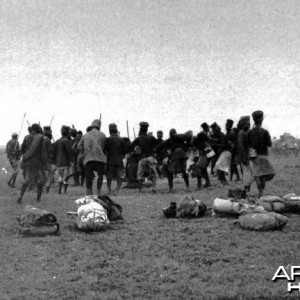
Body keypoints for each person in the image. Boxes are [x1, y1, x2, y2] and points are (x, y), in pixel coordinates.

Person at [248, 110, 275, 198]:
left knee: (258, 175)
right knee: (264, 175)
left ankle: (260, 192)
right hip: (263, 155)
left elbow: (247, 144)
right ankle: (261, 192)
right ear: (261, 119)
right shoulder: (265, 132)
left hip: (253, 156)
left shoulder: (250, 132)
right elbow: (270, 144)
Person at [17, 123, 47, 204]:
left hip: (28, 162)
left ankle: (20, 196)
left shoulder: (26, 137)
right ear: (37, 129)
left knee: (26, 180)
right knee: (40, 181)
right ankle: (38, 199)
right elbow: (43, 152)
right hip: (38, 163)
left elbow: (22, 150)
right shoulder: (41, 137)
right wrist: (45, 163)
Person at [78, 119, 107, 195]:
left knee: (88, 176)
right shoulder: (102, 135)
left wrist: (83, 152)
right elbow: (104, 146)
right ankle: (98, 191)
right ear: (99, 126)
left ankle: (88, 191)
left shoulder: (86, 135)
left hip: (88, 158)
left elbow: (79, 145)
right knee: (100, 175)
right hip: (100, 158)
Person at [104, 123, 127, 195]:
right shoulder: (121, 140)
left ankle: (109, 190)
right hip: (119, 160)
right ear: (116, 132)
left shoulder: (107, 140)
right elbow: (125, 151)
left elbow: (105, 150)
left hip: (110, 160)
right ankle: (117, 190)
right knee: (120, 176)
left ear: (110, 132)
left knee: (109, 176)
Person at [53, 125, 73, 194]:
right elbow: (70, 151)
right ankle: (64, 190)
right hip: (65, 162)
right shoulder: (66, 141)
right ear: (67, 133)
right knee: (65, 177)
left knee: (60, 177)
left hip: (58, 162)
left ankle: (59, 190)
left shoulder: (58, 141)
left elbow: (54, 151)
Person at [237, 116, 254, 193]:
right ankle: (246, 190)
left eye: (249, 124)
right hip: (245, 157)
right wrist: (244, 158)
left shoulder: (246, 133)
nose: (249, 125)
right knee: (247, 174)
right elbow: (241, 146)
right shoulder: (241, 133)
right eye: (247, 124)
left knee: (249, 174)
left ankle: (247, 190)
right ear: (243, 124)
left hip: (248, 156)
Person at [193, 122, 212, 188]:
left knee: (200, 168)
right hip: (206, 153)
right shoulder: (204, 135)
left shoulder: (203, 135)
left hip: (204, 154)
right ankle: (207, 182)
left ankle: (201, 184)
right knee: (203, 169)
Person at [43, 126, 56, 193]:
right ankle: (47, 188)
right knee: (50, 173)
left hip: (42, 159)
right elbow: (50, 151)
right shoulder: (47, 140)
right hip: (47, 160)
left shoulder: (41, 138)